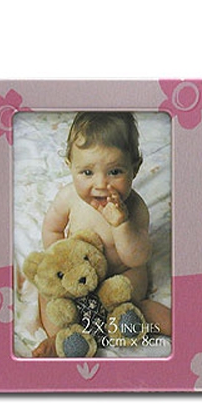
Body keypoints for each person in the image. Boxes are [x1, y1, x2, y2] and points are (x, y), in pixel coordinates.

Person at [38, 112, 171, 352]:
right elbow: (52, 229)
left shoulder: (135, 208)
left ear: (135, 168)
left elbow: (136, 258)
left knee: (132, 296)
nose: (101, 184)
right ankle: (60, 337)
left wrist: (121, 225)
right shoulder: (68, 198)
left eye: (115, 172)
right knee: (47, 292)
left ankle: (127, 318)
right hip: (78, 275)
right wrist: (59, 262)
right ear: (70, 166)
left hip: (120, 275)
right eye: (87, 173)